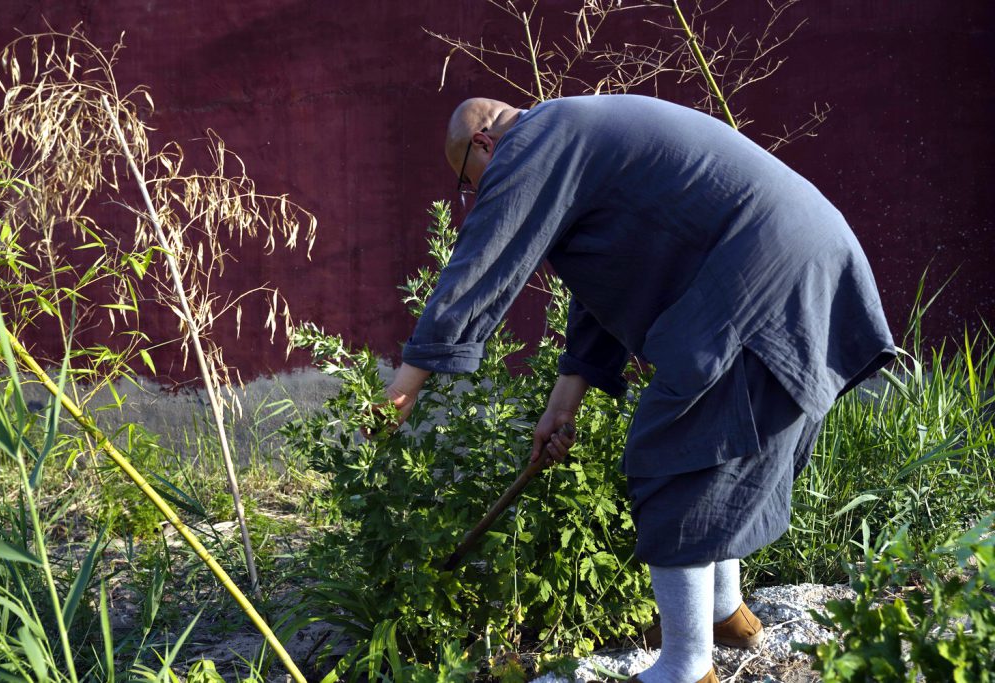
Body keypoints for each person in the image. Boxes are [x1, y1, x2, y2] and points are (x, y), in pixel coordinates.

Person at [382, 95, 895, 683]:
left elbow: (480, 260)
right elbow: (605, 284)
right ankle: (725, 615)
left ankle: (684, 666)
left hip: (762, 265)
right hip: (805, 249)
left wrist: (406, 383)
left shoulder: (533, 140)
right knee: (718, 439)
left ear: (484, 144)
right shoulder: (576, 132)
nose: (480, 195)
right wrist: (561, 407)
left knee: (670, 452)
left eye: (472, 185)